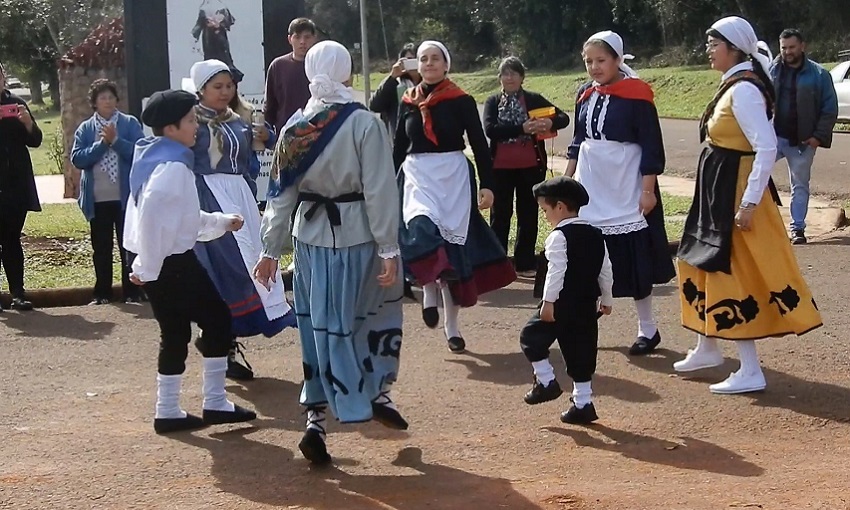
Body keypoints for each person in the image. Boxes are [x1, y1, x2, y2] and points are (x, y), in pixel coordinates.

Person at [255, 40, 407, 465]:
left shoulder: (294, 127)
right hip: (360, 236)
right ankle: (376, 393)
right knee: (373, 316)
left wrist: (270, 251)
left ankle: (316, 420)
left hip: (309, 241)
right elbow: (379, 188)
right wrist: (390, 246)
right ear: (345, 72)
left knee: (318, 325)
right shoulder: (363, 123)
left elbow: (280, 194)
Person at [675, 16, 823, 394]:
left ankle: (750, 369)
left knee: (732, 273)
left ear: (735, 48)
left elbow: (766, 147)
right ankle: (707, 346)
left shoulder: (744, 91)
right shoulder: (735, 85)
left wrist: (749, 202)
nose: (708, 51)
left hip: (733, 192)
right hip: (717, 189)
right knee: (699, 261)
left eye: (713, 44)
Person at [124, 89, 256, 433]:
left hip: (160, 263)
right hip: (173, 264)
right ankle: (214, 402)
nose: (195, 126)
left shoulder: (152, 157)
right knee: (217, 319)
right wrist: (147, 265)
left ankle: (167, 410)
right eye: (189, 121)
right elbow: (154, 216)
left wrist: (220, 222)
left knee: (175, 332)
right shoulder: (173, 166)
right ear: (170, 128)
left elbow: (176, 216)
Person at [393, 40, 517, 354]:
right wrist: (384, 184)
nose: (430, 64)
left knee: (453, 252)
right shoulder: (408, 101)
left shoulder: (461, 100)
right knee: (421, 229)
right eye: (424, 59)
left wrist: (488, 185)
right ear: (417, 66)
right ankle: (429, 294)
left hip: (453, 175)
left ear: (446, 65)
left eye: (436, 59)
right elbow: (397, 148)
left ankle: (452, 327)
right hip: (418, 174)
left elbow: (478, 142)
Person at [564, 31, 675, 356]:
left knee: (632, 254)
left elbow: (651, 147)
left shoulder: (638, 95)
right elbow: (577, 140)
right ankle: (587, 324)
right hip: (592, 182)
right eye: (589, 61)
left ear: (617, 60)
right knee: (589, 255)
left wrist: (647, 190)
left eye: (601, 60)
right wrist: (568, 181)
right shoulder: (586, 93)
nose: (595, 67)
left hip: (624, 182)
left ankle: (648, 328)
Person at [185, 59, 295, 381]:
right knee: (226, 267)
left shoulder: (239, 119)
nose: (225, 92)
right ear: (201, 89)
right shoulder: (192, 122)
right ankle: (221, 342)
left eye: (229, 86)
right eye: (217, 86)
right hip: (208, 194)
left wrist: (265, 136)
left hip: (239, 195)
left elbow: (256, 154)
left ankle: (223, 341)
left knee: (247, 265)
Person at [519, 176, 613, 424]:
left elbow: (556, 271)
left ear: (560, 206)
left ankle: (547, 381)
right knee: (581, 352)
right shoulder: (596, 234)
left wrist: (548, 302)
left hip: (561, 304)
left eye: (545, 210)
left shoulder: (559, 236)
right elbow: (605, 269)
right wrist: (607, 297)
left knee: (531, 337)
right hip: (587, 305)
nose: (545, 216)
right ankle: (583, 404)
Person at [483, 56, 570, 277]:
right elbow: (490, 130)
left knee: (528, 213)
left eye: (514, 73)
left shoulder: (533, 99)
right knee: (500, 215)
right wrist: (521, 128)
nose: (509, 77)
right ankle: (498, 263)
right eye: (505, 73)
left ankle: (525, 262)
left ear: (522, 77)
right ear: (500, 78)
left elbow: (563, 117)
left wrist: (549, 122)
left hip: (531, 166)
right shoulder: (493, 102)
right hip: (500, 167)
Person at [71, 79, 145, 305]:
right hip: (98, 199)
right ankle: (102, 293)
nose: (108, 101)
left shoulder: (130, 123)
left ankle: (132, 291)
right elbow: (78, 158)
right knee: (101, 248)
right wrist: (102, 144)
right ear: (94, 102)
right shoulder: (85, 128)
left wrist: (116, 141)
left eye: (111, 97)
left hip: (125, 199)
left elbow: (139, 153)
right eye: (102, 98)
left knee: (129, 245)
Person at [769, 28, 839, 245]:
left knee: (799, 185)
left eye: (791, 47)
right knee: (752, 174)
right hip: (773, 139)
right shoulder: (771, 70)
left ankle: (797, 229)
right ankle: (760, 226)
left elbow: (829, 109)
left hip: (803, 142)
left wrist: (817, 137)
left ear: (802, 46)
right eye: (783, 48)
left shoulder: (819, 75)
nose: (787, 52)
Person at [0, 60, 42, 311]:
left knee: (11, 239)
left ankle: (17, 293)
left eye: (0, 74)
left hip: (15, 182)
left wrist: (27, 122)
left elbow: (35, 140)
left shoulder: (16, 102)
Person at [264, 17, 318, 135]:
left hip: (317, 134)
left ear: (314, 39)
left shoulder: (322, 65)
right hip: (286, 135)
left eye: (307, 37)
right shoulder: (277, 66)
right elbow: (270, 107)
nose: (302, 42)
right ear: (290, 39)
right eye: (297, 37)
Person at [369, 43, 422, 138]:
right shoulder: (395, 84)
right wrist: (392, 77)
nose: (413, 63)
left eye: (416, 59)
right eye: (408, 60)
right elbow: (374, 106)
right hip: (398, 141)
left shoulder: (429, 84)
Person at [192, 0, 237, 71]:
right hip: (210, 39)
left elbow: (229, 21)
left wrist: (219, 23)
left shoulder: (220, 7)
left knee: (222, 60)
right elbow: (199, 25)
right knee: (212, 61)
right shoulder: (206, 8)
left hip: (217, 38)